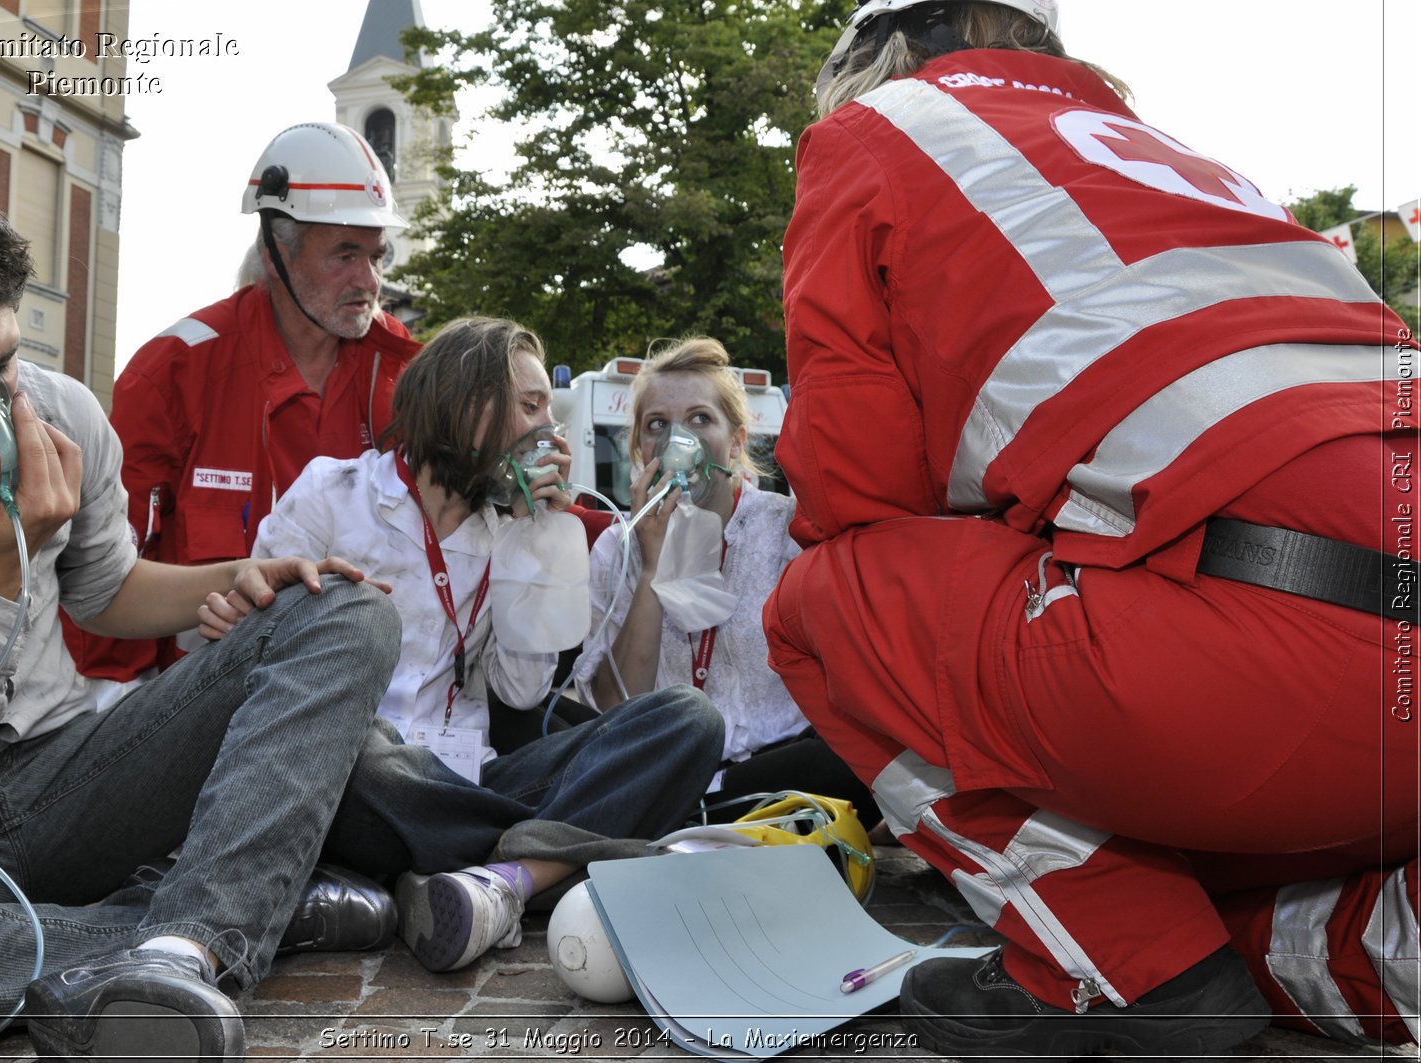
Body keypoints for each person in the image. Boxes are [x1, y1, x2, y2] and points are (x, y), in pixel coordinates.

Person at [768, 0, 1418, 1058]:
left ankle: (1126, 970)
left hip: (1258, 672)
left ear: (884, 46)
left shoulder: (879, 128)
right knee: (1228, 884)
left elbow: (854, 495)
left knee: (822, 607)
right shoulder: (1185, 161)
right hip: (1372, 704)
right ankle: (1271, 942)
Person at [0, 152, 414, 1060]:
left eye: (0, 364)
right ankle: (212, 926)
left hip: (65, 776)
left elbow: (108, 590)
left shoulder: (56, 411)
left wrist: (244, 578)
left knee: (339, 609)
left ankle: (181, 943)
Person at [201, 316, 725, 972]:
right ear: (471, 407)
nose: (550, 430)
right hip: (358, 781)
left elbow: (523, 690)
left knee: (687, 722)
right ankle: (535, 863)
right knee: (357, 753)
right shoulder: (333, 494)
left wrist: (538, 536)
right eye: (531, 406)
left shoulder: (504, 527)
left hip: (468, 781)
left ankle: (486, 880)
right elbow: (264, 665)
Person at [63, 121, 421, 689]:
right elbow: (101, 570)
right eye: (346, 255)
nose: (369, 280)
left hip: (372, 693)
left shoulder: (405, 378)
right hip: (199, 703)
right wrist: (118, 712)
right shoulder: (175, 371)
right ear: (278, 248)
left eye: (377, 256)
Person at [571, 337, 877, 824]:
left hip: (779, 772)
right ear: (640, 448)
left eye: (699, 419)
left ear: (735, 441)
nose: (678, 441)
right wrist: (652, 567)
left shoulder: (786, 531)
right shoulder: (617, 547)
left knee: (862, 754)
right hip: (667, 771)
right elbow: (617, 708)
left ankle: (699, 821)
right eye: (657, 425)